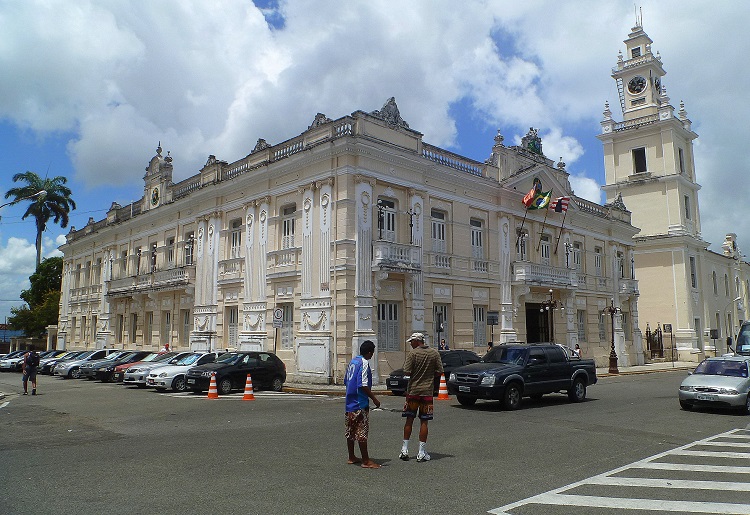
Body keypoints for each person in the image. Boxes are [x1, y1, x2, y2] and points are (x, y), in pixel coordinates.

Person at [400, 332, 443, 463]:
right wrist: (429, 376)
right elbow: (440, 371)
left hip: (413, 391)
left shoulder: (413, 354)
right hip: (427, 392)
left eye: (411, 342)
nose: (410, 344)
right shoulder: (434, 353)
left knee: (409, 419)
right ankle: (421, 452)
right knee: (424, 421)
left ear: (417, 341)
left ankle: (404, 449)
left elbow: (407, 371)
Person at [344, 340, 381, 469]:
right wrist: (374, 399)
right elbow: (363, 384)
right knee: (362, 431)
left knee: (350, 430)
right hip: (360, 402)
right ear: (369, 352)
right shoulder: (364, 363)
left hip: (349, 402)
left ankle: (351, 456)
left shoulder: (353, 361)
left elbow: (346, 380)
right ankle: (366, 460)